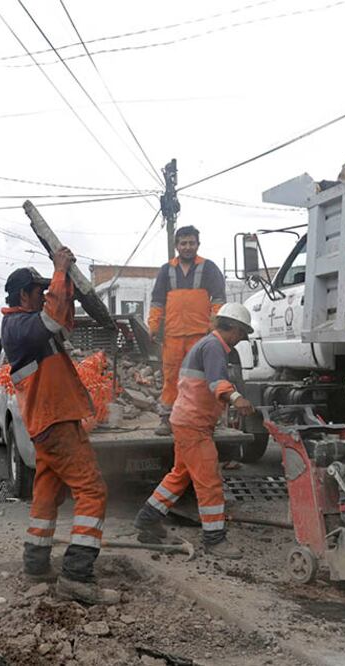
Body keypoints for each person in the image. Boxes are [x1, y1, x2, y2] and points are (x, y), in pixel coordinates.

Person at [0, 248, 119, 606]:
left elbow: (62, 322)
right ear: (24, 295)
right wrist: (59, 270)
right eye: (38, 291)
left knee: (47, 495)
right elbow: (52, 319)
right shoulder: (20, 326)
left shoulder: (29, 325)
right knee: (92, 491)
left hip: (48, 421)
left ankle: (36, 566)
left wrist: (65, 285)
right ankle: (76, 577)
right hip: (54, 419)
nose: (43, 295)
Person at [133, 303, 256, 559]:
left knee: (180, 474)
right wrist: (237, 399)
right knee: (209, 482)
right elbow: (217, 383)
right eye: (242, 333)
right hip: (194, 425)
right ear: (233, 328)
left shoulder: (207, 344)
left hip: (187, 421)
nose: (241, 339)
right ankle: (215, 539)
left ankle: (147, 519)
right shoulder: (214, 347)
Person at [147, 226, 227, 436]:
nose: (188, 247)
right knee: (171, 378)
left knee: (202, 379)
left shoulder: (209, 268)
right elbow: (157, 301)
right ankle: (167, 419)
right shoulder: (166, 270)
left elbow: (219, 299)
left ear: (198, 244)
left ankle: (205, 419)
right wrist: (154, 325)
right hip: (172, 335)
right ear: (177, 246)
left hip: (200, 335)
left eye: (191, 243)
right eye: (183, 243)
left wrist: (214, 326)